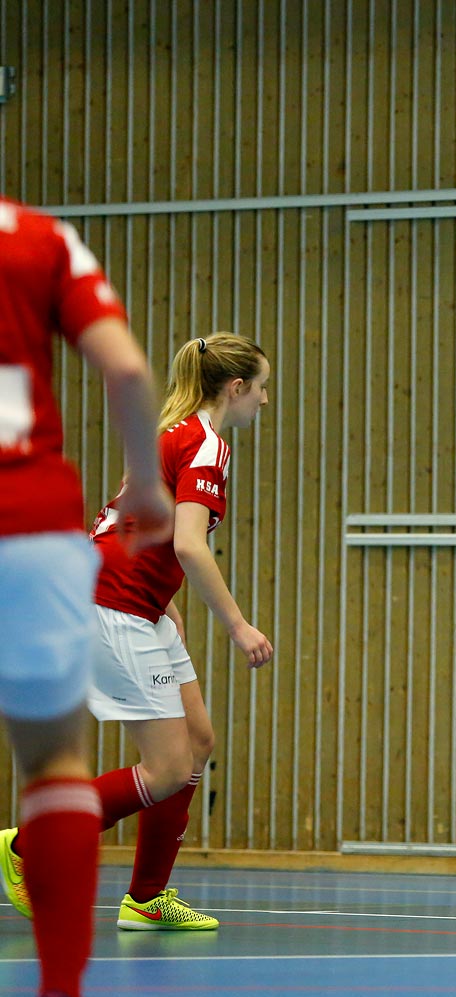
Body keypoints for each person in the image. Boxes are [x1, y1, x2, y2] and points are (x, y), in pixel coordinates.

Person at [2, 332, 273, 935]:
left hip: (137, 604)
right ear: (236, 388)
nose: (264, 401)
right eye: (262, 388)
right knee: (169, 769)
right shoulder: (205, 446)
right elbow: (187, 544)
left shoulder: (172, 433)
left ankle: (147, 899)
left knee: (197, 740)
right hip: (110, 607)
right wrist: (238, 624)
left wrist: (163, 597)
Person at [0, 198, 173, 997]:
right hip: (28, 524)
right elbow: (129, 368)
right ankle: (60, 989)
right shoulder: (38, 237)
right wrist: (144, 482)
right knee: (55, 766)